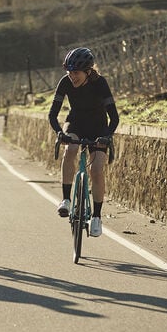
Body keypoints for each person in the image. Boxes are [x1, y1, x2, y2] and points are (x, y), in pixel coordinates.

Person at [48, 47, 119, 237]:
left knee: (96, 170)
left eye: (76, 73)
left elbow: (114, 118)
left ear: (88, 72)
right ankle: (66, 200)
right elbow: (53, 114)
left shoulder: (100, 83)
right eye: (69, 72)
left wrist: (107, 136)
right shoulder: (65, 83)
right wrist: (59, 132)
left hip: (98, 127)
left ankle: (96, 217)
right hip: (75, 123)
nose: (72, 76)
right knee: (70, 148)